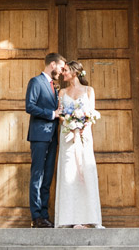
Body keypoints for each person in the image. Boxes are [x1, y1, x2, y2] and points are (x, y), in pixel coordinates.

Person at [53, 60, 102, 228]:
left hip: (83, 136)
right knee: (68, 173)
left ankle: (88, 219)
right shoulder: (62, 92)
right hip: (67, 136)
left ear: (74, 72)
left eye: (65, 70)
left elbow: (91, 113)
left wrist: (82, 125)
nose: (63, 73)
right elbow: (60, 114)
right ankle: (68, 219)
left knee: (85, 171)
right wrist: (70, 123)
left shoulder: (89, 91)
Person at [25, 52, 65, 228]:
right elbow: (30, 106)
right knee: (37, 175)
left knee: (47, 177)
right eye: (61, 67)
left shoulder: (53, 86)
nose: (62, 71)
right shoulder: (36, 82)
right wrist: (51, 114)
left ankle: (44, 215)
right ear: (53, 65)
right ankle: (36, 217)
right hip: (39, 136)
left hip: (53, 137)